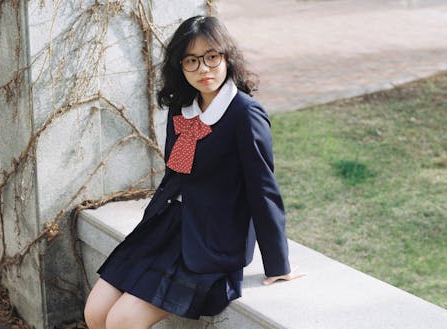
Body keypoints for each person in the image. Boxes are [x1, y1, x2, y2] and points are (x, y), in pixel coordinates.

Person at [84, 15, 301, 329]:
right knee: (95, 312)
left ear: (227, 58)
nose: (204, 69)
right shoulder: (182, 107)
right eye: (192, 61)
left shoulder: (244, 114)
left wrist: (277, 263)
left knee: (122, 321)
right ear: (180, 66)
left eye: (212, 57)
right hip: (168, 228)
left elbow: (263, 188)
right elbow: (176, 174)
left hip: (213, 239)